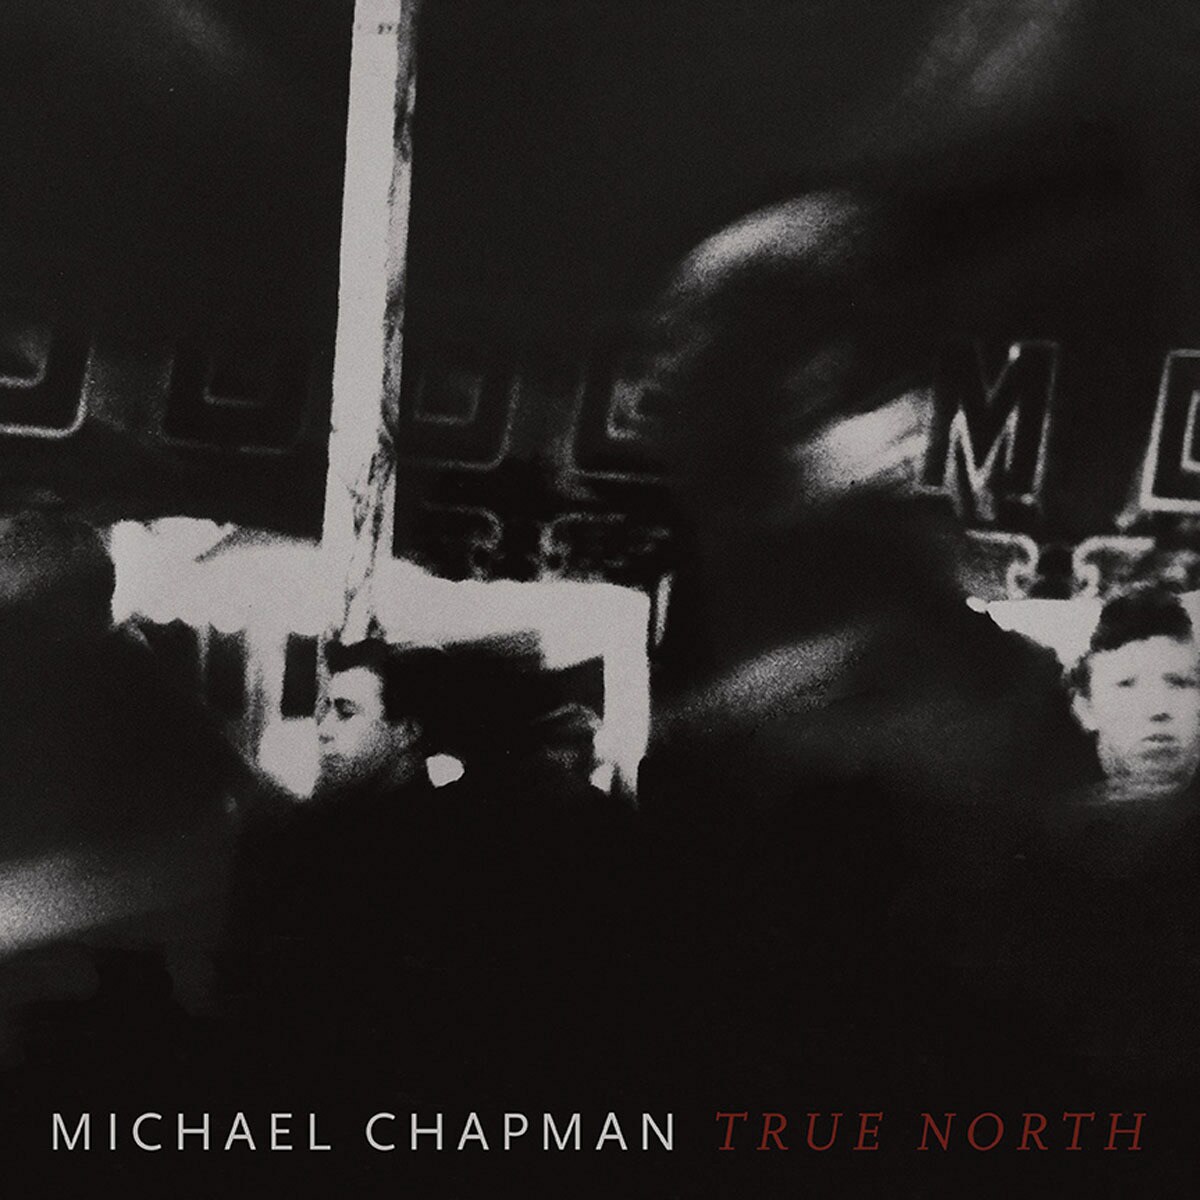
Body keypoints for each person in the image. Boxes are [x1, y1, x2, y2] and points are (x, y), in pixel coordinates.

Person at [1069, 587, 1200, 798]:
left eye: (1179, 683)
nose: (1159, 709)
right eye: (1127, 685)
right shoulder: (1048, 816)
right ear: (1085, 709)